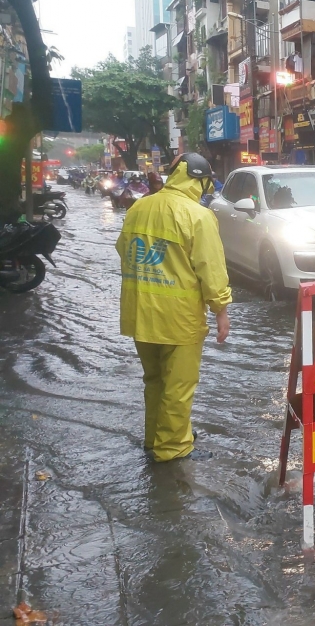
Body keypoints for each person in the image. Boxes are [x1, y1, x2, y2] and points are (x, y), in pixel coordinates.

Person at [116, 153, 231, 462]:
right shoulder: (198, 215)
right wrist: (221, 309)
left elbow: (123, 249)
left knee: (154, 380)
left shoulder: (140, 207)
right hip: (178, 319)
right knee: (178, 387)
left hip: (140, 312)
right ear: (199, 180)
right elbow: (211, 268)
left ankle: (154, 438)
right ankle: (173, 449)